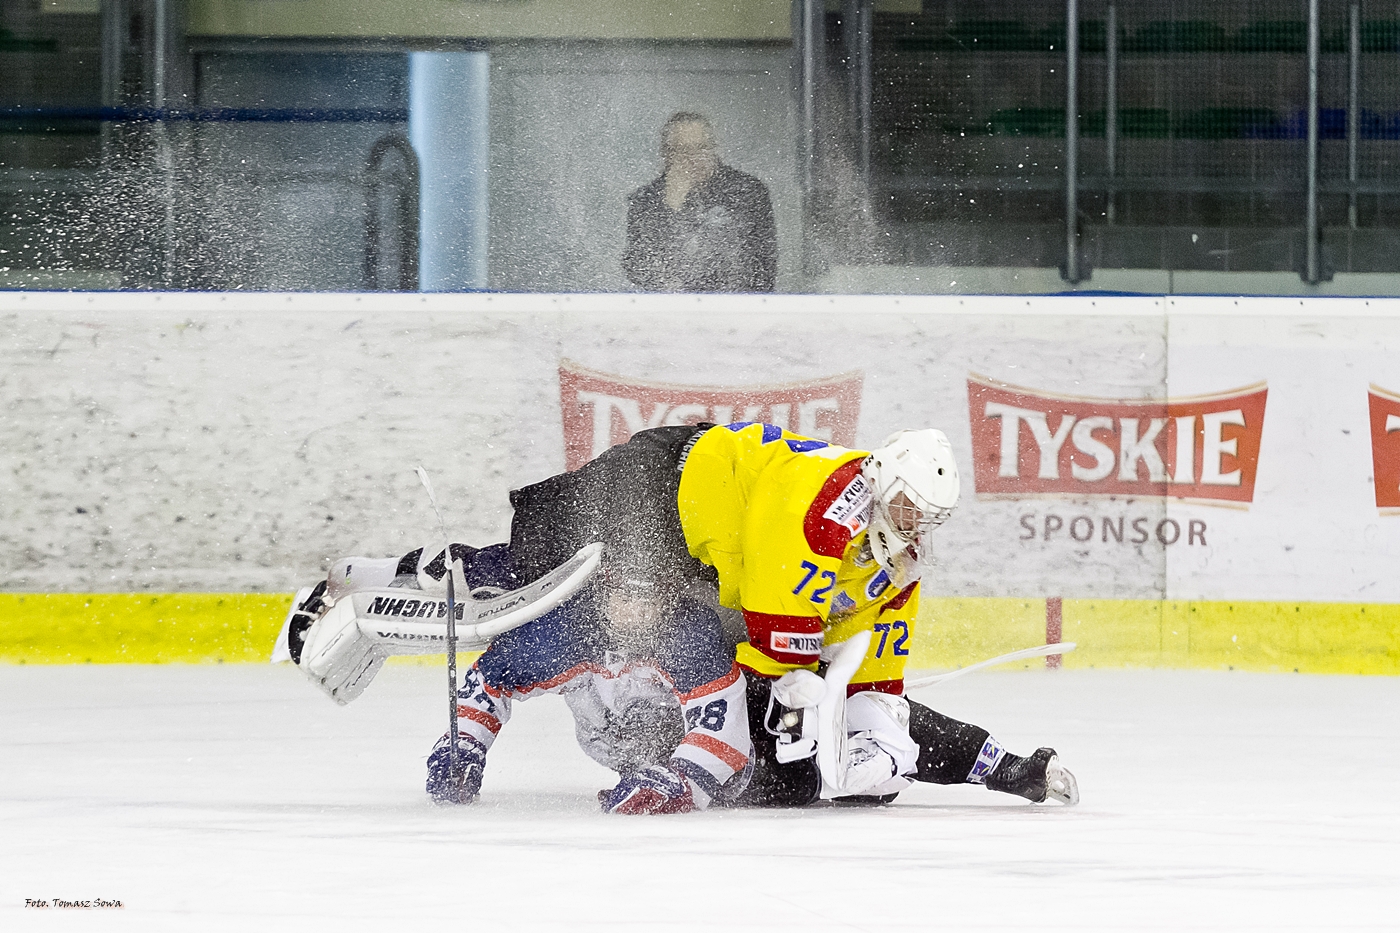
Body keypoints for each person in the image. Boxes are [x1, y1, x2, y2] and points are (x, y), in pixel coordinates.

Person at [621, 113, 777, 292]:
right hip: (672, 310)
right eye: (683, 150)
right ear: (666, 155)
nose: (694, 158)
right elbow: (641, 269)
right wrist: (671, 207)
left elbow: (764, 265)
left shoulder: (747, 191)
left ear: (714, 149)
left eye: (702, 148)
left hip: (734, 308)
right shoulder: (646, 200)